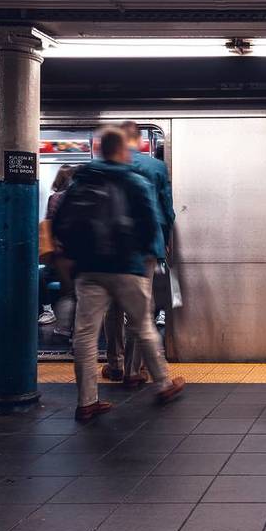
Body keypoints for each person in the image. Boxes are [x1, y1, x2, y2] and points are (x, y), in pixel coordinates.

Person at [53, 126, 184, 421]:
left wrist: (76, 256)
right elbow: (152, 223)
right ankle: (161, 383)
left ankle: (87, 401)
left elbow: (60, 221)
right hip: (127, 266)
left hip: (89, 269)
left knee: (86, 334)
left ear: (100, 148)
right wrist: (145, 253)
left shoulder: (81, 179)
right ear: (123, 149)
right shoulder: (135, 180)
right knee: (143, 323)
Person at [101, 122, 176, 384]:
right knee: (140, 307)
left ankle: (115, 364)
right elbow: (167, 210)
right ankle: (134, 370)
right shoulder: (154, 167)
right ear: (140, 140)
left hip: (112, 247)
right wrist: (164, 242)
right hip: (146, 246)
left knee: (112, 307)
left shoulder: (106, 166)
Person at [45, 164, 77, 339]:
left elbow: (50, 223)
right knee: (77, 293)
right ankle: (74, 331)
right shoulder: (77, 197)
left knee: (68, 291)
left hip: (60, 252)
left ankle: (63, 327)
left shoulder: (54, 198)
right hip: (76, 251)